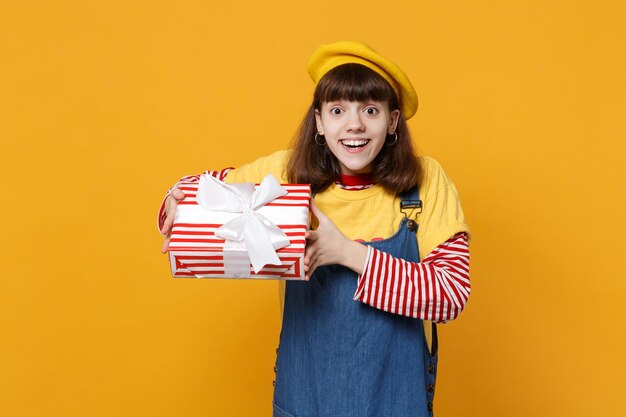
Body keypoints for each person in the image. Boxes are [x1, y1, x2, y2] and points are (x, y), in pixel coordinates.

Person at [158, 41, 470, 417]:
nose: (354, 124)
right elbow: (204, 189)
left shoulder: (424, 182)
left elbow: (450, 295)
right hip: (305, 401)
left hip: (396, 403)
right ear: (320, 121)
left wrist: (346, 253)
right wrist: (177, 200)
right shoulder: (284, 177)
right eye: (338, 110)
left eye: (370, 110)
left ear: (392, 122)